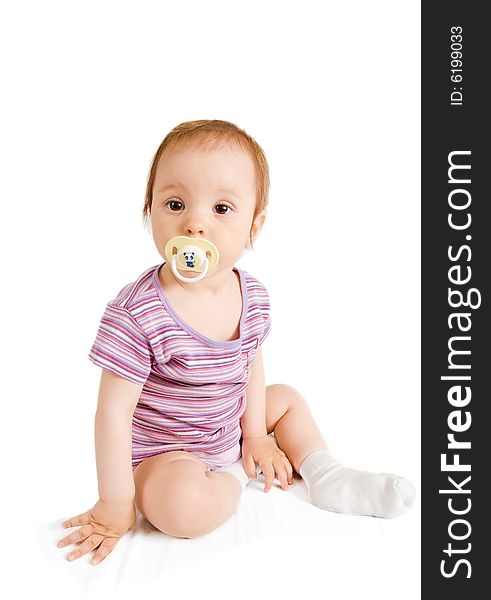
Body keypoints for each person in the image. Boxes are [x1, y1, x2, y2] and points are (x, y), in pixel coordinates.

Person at [56, 119, 416, 565]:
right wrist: (114, 503)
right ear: (149, 210)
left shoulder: (254, 295)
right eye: (174, 203)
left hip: (231, 423)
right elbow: (113, 414)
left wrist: (256, 434)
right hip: (167, 452)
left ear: (254, 226)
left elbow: (251, 364)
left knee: (286, 398)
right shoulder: (137, 313)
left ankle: (326, 474)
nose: (195, 224)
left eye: (222, 209)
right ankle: (232, 480)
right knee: (179, 509)